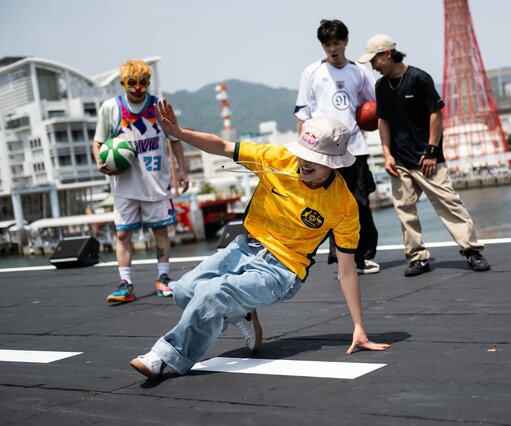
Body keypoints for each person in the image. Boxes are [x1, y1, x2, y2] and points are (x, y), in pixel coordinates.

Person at [129, 102, 390, 379]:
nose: (303, 162)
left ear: (332, 162)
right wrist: (179, 133)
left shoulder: (343, 205)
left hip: (282, 271)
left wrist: (359, 327)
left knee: (213, 294)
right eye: (303, 153)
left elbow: (347, 270)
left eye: (314, 158)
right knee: (182, 290)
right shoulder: (276, 159)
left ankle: (164, 357)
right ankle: (242, 313)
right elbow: (222, 146)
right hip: (245, 248)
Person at [357, 35, 491, 277]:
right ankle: (417, 257)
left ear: (387, 54)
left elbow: (436, 115)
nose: (372, 66)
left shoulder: (419, 78)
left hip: (427, 159)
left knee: (450, 204)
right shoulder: (381, 86)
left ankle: (472, 251)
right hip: (399, 161)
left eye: (374, 60)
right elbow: (383, 121)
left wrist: (431, 151)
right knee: (405, 211)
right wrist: (387, 155)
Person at [92, 59, 189, 303]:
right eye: (132, 82)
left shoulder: (159, 106)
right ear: (123, 83)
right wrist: (99, 163)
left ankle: (163, 279)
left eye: (143, 82)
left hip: (156, 183)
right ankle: (125, 284)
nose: (138, 87)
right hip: (124, 186)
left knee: (160, 231)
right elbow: (98, 142)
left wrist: (182, 170)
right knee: (123, 235)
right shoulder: (110, 108)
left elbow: (175, 139)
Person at [294, 19, 380, 275]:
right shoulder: (311, 73)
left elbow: (373, 107)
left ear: (346, 42)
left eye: (337, 43)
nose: (332, 48)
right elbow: (303, 114)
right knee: (326, 204)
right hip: (322, 152)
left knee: (359, 203)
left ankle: (363, 256)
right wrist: (302, 153)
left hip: (355, 148)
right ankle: (336, 256)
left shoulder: (360, 72)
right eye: (327, 44)